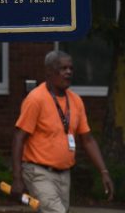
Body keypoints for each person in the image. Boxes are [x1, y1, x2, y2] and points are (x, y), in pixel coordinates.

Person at [11, 50, 114, 212]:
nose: (68, 72)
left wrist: (104, 171)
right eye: (63, 68)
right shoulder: (36, 99)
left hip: (64, 175)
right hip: (38, 172)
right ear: (49, 72)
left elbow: (87, 139)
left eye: (71, 68)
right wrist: (17, 177)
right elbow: (19, 137)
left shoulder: (76, 101)